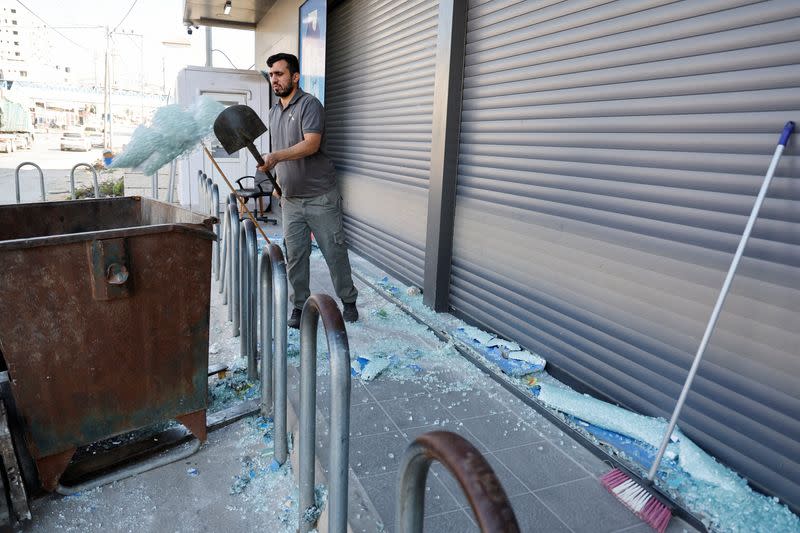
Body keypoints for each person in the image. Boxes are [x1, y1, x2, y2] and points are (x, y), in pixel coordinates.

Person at [258, 52, 358, 328]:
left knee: (334, 252)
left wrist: (276, 156)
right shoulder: (273, 112)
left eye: (279, 74)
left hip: (320, 197)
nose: (274, 79)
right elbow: (280, 150)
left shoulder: (310, 105)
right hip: (290, 199)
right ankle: (299, 305)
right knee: (295, 256)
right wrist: (276, 181)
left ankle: (348, 301)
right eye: (271, 75)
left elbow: (310, 144)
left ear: (295, 76)